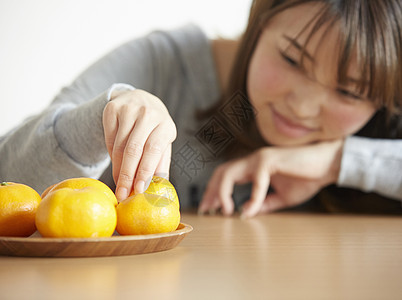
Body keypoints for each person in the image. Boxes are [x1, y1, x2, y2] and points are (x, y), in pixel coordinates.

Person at [0, 0, 401, 218]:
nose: (303, 106)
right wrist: (104, 114)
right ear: (260, 22)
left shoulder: (384, 116)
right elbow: (8, 177)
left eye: (350, 92)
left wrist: (338, 161)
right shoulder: (162, 64)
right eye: (293, 60)